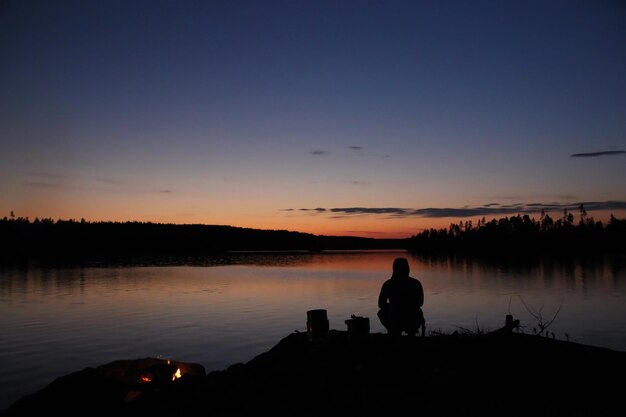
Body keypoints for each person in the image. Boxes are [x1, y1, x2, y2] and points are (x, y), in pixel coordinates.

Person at [377, 257, 425, 337]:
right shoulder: (416, 283)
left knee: (382, 312)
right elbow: (420, 303)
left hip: (396, 316)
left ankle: (393, 331)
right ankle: (410, 332)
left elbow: (381, 304)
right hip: (411, 316)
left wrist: (393, 305)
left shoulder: (388, 284)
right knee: (417, 310)